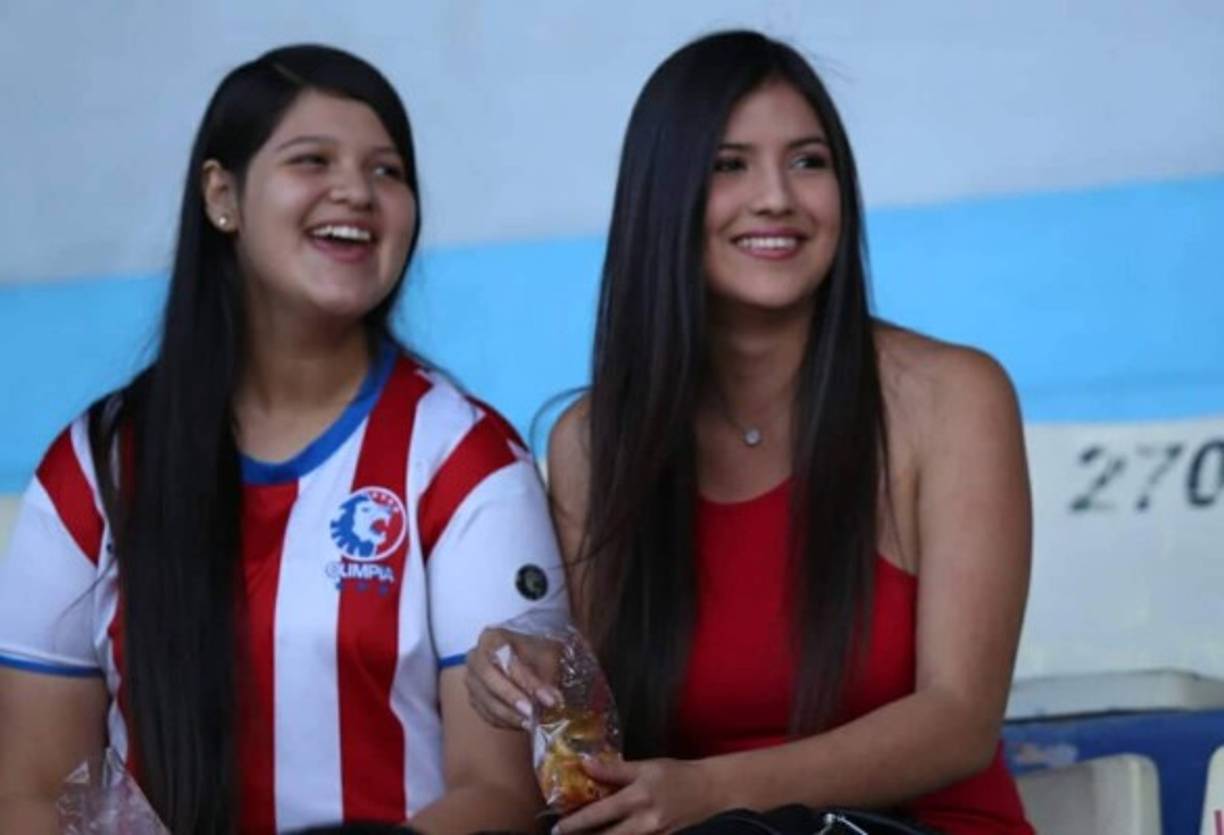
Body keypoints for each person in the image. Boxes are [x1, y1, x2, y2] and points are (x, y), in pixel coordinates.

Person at [466, 30, 1034, 834]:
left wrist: (710, 792)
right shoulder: (593, 441)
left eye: (808, 161)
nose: (776, 197)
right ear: (663, 197)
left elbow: (959, 718)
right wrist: (536, 673)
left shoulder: (952, 397)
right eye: (729, 165)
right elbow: (604, 724)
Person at [0, 45, 567, 835]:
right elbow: (31, 791)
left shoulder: (465, 460)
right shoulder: (95, 466)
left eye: (387, 171)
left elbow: (504, 794)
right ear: (221, 195)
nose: (356, 191)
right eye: (312, 160)